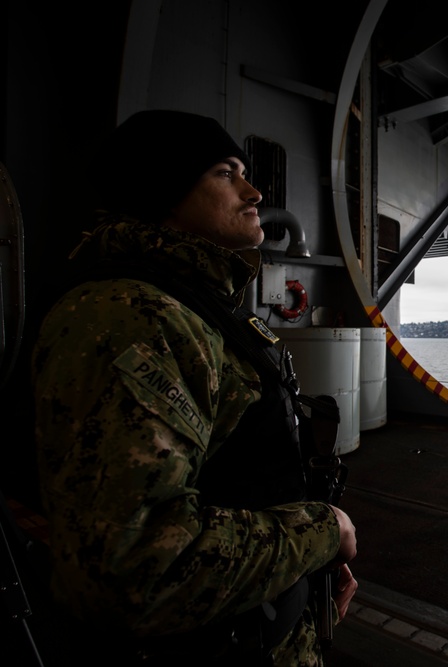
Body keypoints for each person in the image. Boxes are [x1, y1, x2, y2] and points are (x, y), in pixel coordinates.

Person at [31, 109, 357, 666]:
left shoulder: (190, 306)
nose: (253, 192)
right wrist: (322, 532)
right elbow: (138, 570)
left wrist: (301, 566)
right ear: (163, 189)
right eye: (226, 173)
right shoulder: (131, 317)